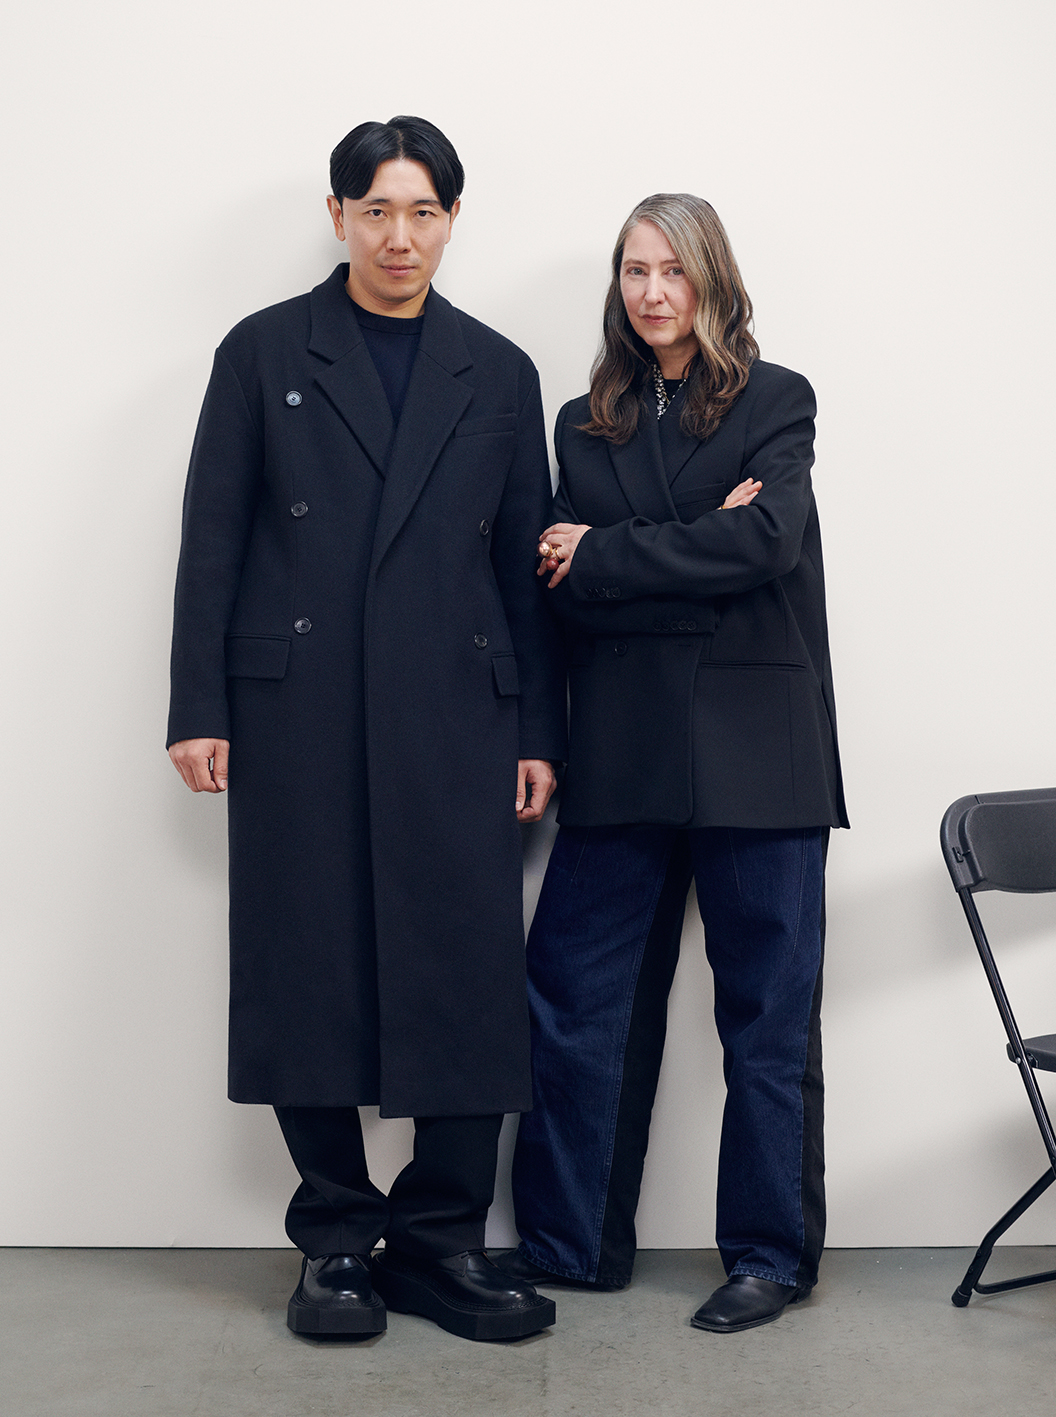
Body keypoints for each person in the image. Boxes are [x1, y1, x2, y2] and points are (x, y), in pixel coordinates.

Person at [167, 116, 566, 1342]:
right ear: (338, 214)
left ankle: (440, 1242)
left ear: (453, 219)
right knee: (309, 960)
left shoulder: (498, 370)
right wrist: (199, 705)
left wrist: (537, 730)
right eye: (378, 210)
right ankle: (336, 1241)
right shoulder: (262, 350)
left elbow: (521, 569)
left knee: (468, 969)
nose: (401, 236)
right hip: (299, 710)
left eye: (424, 211)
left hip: (457, 709)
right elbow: (213, 538)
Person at [502, 193, 848, 1334]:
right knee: (576, 999)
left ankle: (769, 1257)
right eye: (634, 270)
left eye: (674, 270)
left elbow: (769, 540)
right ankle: (567, 1243)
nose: (653, 292)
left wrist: (607, 551)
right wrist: (697, 543)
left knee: (767, 1019)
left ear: (712, 279)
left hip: (759, 750)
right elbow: (558, 583)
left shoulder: (775, 397)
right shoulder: (580, 423)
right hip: (622, 745)